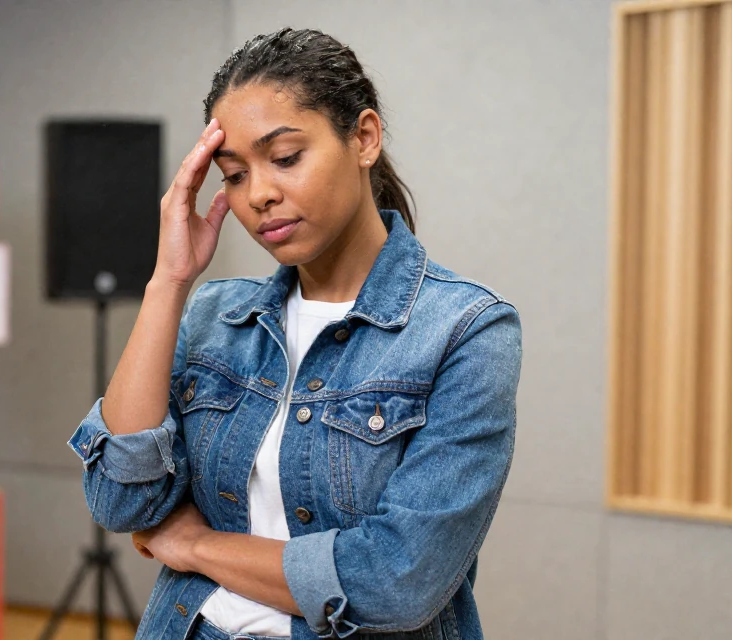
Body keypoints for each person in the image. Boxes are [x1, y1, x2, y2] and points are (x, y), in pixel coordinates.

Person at [68, 27, 522, 640]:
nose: (260, 194)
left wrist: (197, 546)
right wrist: (168, 282)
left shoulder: (465, 330)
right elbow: (121, 501)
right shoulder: (216, 316)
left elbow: (396, 580)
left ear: (363, 138)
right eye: (233, 174)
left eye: (285, 158)